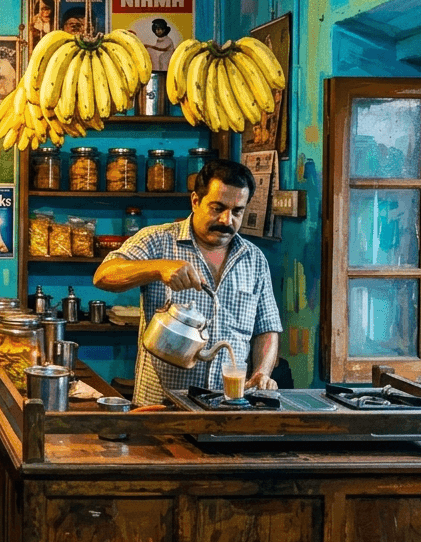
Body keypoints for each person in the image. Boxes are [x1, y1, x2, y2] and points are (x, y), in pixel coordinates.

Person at [93, 159, 283, 405]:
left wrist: (261, 373)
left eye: (237, 211)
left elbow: (267, 328)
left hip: (226, 406)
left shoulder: (254, 259)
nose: (227, 220)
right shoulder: (158, 240)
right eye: (217, 208)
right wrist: (158, 268)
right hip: (161, 406)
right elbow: (104, 275)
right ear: (195, 201)